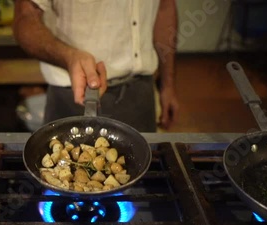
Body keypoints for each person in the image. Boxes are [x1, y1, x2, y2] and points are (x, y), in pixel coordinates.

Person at [12, 0, 179, 132]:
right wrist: (69, 57)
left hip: (141, 93)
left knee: (143, 168)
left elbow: (164, 7)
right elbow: (25, 18)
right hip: (73, 97)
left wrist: (167, 85)